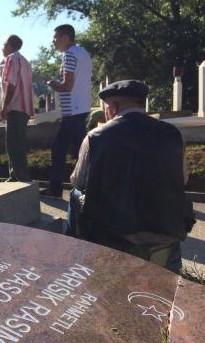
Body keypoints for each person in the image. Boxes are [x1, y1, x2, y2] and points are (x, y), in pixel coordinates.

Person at [68, 80, 192, 273]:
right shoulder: (173, 133)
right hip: (167, 230)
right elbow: (182, 179)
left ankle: (72, 252)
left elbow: (78, 181)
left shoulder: (96, 136)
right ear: (142, 104)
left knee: (75, 193)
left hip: (117, 234)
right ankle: (169, 267)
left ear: (113, 107)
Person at [41, 24, 92, 198]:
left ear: (65, 37)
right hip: (81, 107)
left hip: (72, 110)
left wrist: (52, 84)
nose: (53, 41)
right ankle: (57, 188)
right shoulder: (83, 53)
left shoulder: (69, 54)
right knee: (63, 149)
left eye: (55, 37)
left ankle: (88, 188)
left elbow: (67, 86)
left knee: (79, 152)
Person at [0, 34, 34, 182]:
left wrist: (5, 105)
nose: (2, 48)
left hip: (15, 106)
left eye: (4, 44)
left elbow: (11, 84)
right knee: (19, 143)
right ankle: (14, 175)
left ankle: (22, 177)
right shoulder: (25, 61)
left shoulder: (11, 59)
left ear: (9, 45)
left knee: (13, 144)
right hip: (24, 107)